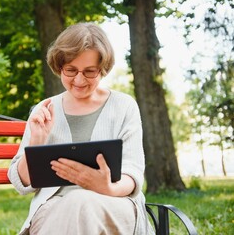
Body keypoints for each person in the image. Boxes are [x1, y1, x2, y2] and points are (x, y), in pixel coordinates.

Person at [8, 22, 154, 235]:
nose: (79, 80)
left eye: (89, 72)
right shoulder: (44, 109)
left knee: (81, 201)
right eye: (71, 70)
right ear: (59, 67)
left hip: (114, 205)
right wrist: (36, 141)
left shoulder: (124, 106)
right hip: (53, 210)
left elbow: (132, 172)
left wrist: (108, 187)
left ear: (102, 69)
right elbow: (21, 182)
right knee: (75, 203)